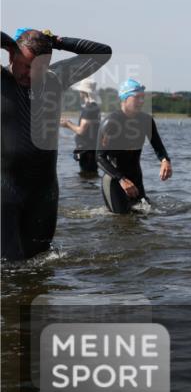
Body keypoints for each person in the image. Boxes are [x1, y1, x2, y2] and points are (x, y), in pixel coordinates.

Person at [2, 28, 112, 260]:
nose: (32, 75)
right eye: (27, 66)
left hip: (44, 190)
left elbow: (102, 53)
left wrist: (56, 41)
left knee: (41, 262)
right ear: (11, 55)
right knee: (8, 264)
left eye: (40, 69)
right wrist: (8, 42)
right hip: (5, 188)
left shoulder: (55, 78)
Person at [97, 79, 172, 214]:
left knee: (143, 216)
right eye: (137, 97)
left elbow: (158, 147)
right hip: (114, 180)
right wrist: (121, 179)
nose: (141, 101)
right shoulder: (111, 122)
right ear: (124, 98)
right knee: (121, 220)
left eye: (143, 98)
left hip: (136, 177)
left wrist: (165, 161)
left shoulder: (146, 120)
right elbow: (99, 158)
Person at [60, 77, 102, 174]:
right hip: (92, 149)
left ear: (84, 92)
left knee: (85, 177)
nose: (79, 93)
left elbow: (81, 130)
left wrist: (67, 124)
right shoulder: (95, 107)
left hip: (87, 151)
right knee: (91, 177)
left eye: (81, 91)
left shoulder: (89, 109)